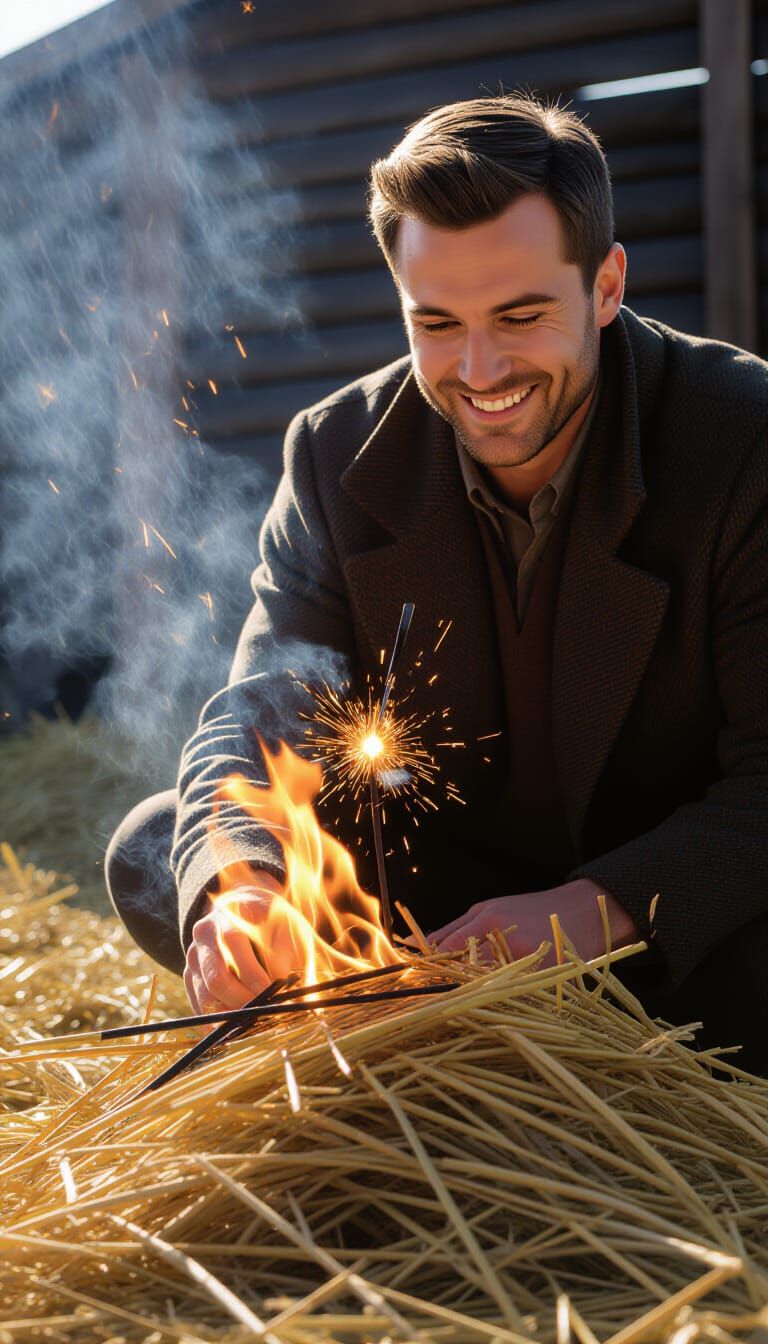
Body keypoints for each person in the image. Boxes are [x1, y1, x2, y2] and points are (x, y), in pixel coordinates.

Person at [106, 93, 768, 1073]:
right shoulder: (334, 455)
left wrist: (594, 914)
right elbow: (260, 712)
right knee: (160, 851)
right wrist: (245, 891)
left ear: (608, 284)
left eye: (522, 314)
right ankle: (418, 1049)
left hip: (655, 938)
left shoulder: (744, 438)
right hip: (424, 944)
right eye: (437, 323)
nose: (480, 368)